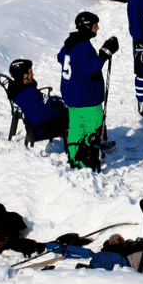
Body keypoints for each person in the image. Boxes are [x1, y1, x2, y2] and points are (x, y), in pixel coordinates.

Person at [57, 12, 119, 168]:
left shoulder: (70, 44)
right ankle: (91, 160)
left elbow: (60, 57)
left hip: (72, 98)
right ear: (86, 26)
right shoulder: (84, 47)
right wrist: (104, 55)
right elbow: (91, 69)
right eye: (94, 24)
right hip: (87, 99)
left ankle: (74, 158)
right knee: (92, 132)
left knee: (77, 129)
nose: (97, 27)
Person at [5, 59, 68, 143]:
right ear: (23, 75)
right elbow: (40, 118)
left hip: (47, 114)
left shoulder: (21, 89)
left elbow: (40, 105)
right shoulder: (27, 95)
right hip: (46, 127)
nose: (33, 74)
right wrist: (61, 108)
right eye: (30, 72)